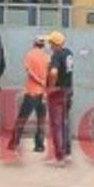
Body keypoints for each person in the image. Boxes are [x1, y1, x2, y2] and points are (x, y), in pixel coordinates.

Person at [7, 35, 49, 153]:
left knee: (22, 118)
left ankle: (14, 143)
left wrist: (39, 81)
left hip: (32, 91)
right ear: (43, 45)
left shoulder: (30, 55)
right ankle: (39, 145)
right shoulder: (47, 56)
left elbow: (29, 71)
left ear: (34, 43)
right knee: (41, 120)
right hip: (43, 93)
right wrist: (44, 84)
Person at [45, 31, 74, 166]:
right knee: (64, 122)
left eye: (50, 42)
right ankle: (67, 153)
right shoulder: (68, 53)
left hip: (58, 92)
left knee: (56, 124)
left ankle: (59, 157)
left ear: (54, 43)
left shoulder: (57, 55)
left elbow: (53, 72)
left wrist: (51, 87)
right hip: (68, 90)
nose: (49, 45)